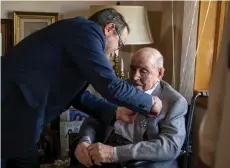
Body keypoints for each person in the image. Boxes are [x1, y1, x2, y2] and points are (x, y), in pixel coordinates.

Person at [1, 9, 162, 168]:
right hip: (10, 107)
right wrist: (149, 102)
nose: (116, 52)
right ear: (109, 28)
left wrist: (115, 112)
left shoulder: (77, 38)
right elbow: (110, 85)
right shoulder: (86, 30)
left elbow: (77, 96)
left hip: (20, 117)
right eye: (119, 44)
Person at [72, 48, 187, 168]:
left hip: (144, 162)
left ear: (160, 73)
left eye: (143, 71)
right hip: (107, 151)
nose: (135, 77)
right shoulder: (119, 88)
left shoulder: (175, 102)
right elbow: (93, 120)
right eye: (132, 69)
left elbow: (170, 146)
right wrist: (85, 141)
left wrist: (114, 153)